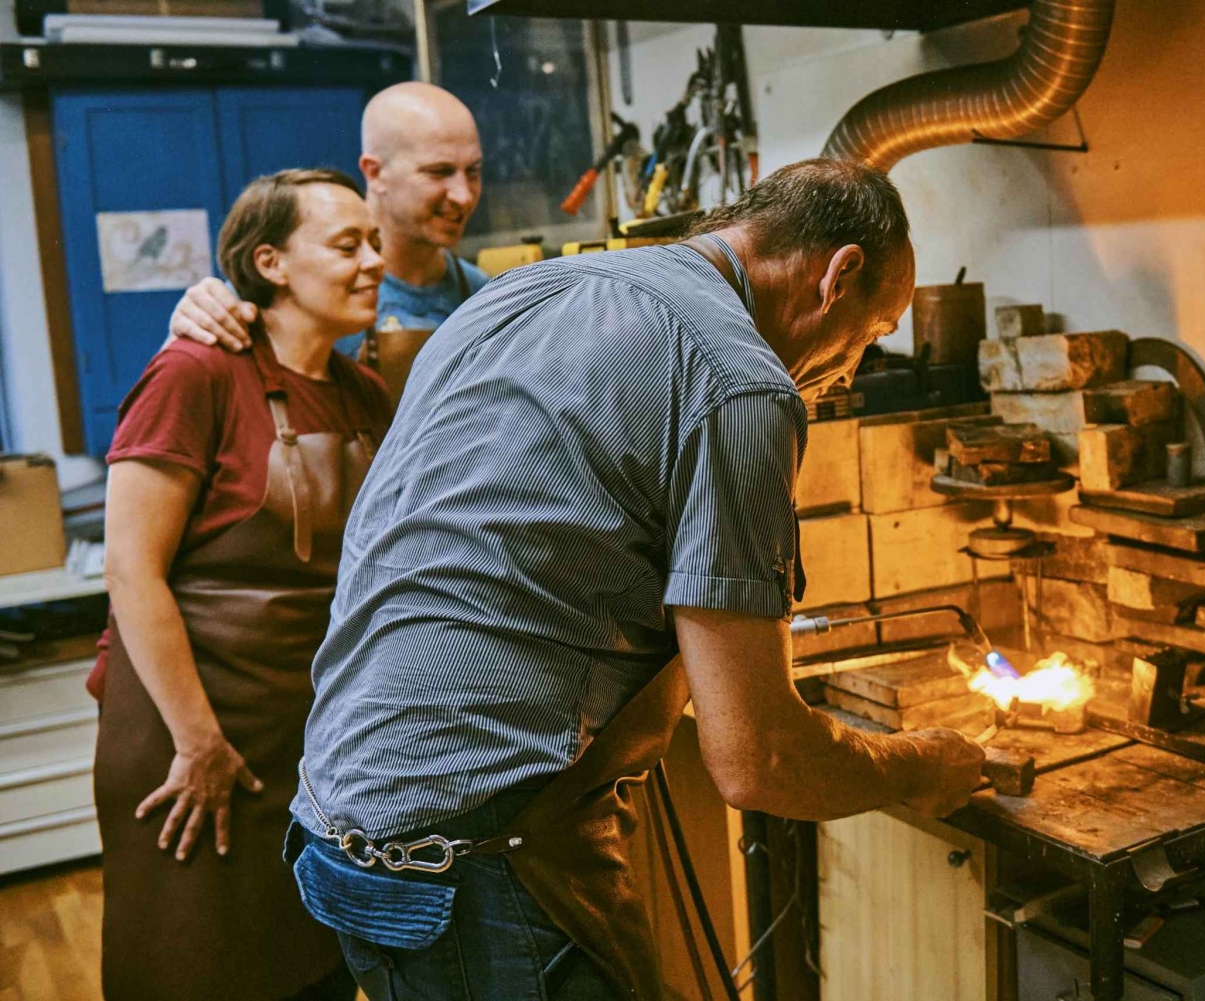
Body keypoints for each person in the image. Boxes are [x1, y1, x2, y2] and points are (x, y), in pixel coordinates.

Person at [285, 158, 986, 1001]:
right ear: (838, 275)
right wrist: (920, 765)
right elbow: (758, 758)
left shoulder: (527, 293)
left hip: (336, 821)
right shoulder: (740, 381)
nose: (848, 372)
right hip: (469, 865)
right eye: (870, 334)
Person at [95, 168, 392, 1001]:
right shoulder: (194, 373)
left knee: (315, 966)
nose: (374, 261)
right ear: (270, 263)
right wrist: (198, 742)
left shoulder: (365, 395)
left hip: (308, 742)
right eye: (347, 245)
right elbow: (131, 569)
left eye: (374, 242)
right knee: (195, 968)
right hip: (188, 735)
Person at [167, 81, 488, 363]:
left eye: (473, 171)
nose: (463, 196)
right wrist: (193, 322)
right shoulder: (294, 286)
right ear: (375, 173)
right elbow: (187, 370)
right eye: (439, 172)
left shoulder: (481, 295)